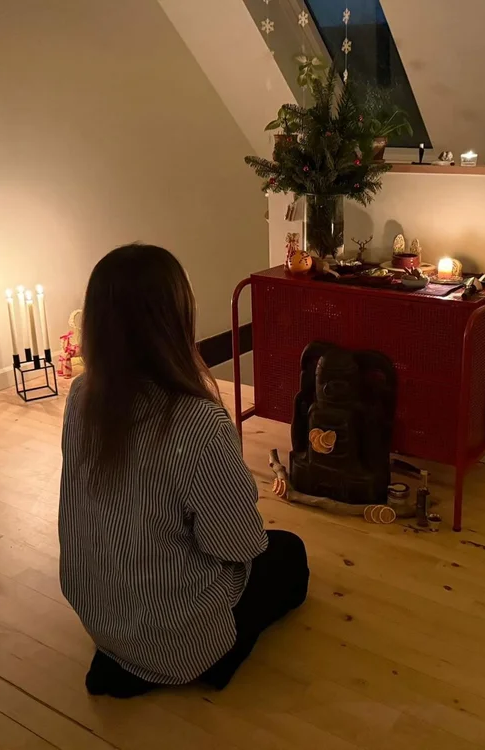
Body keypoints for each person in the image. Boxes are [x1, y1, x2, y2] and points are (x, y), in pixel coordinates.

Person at [59, 243, 309, 697]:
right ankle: (201, 658)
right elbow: (238, 544)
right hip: (173, 633)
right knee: (289, 553)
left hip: (99, 614)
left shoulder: (79, 397)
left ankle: (128, 658)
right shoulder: (198, 423)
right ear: (175, 320)